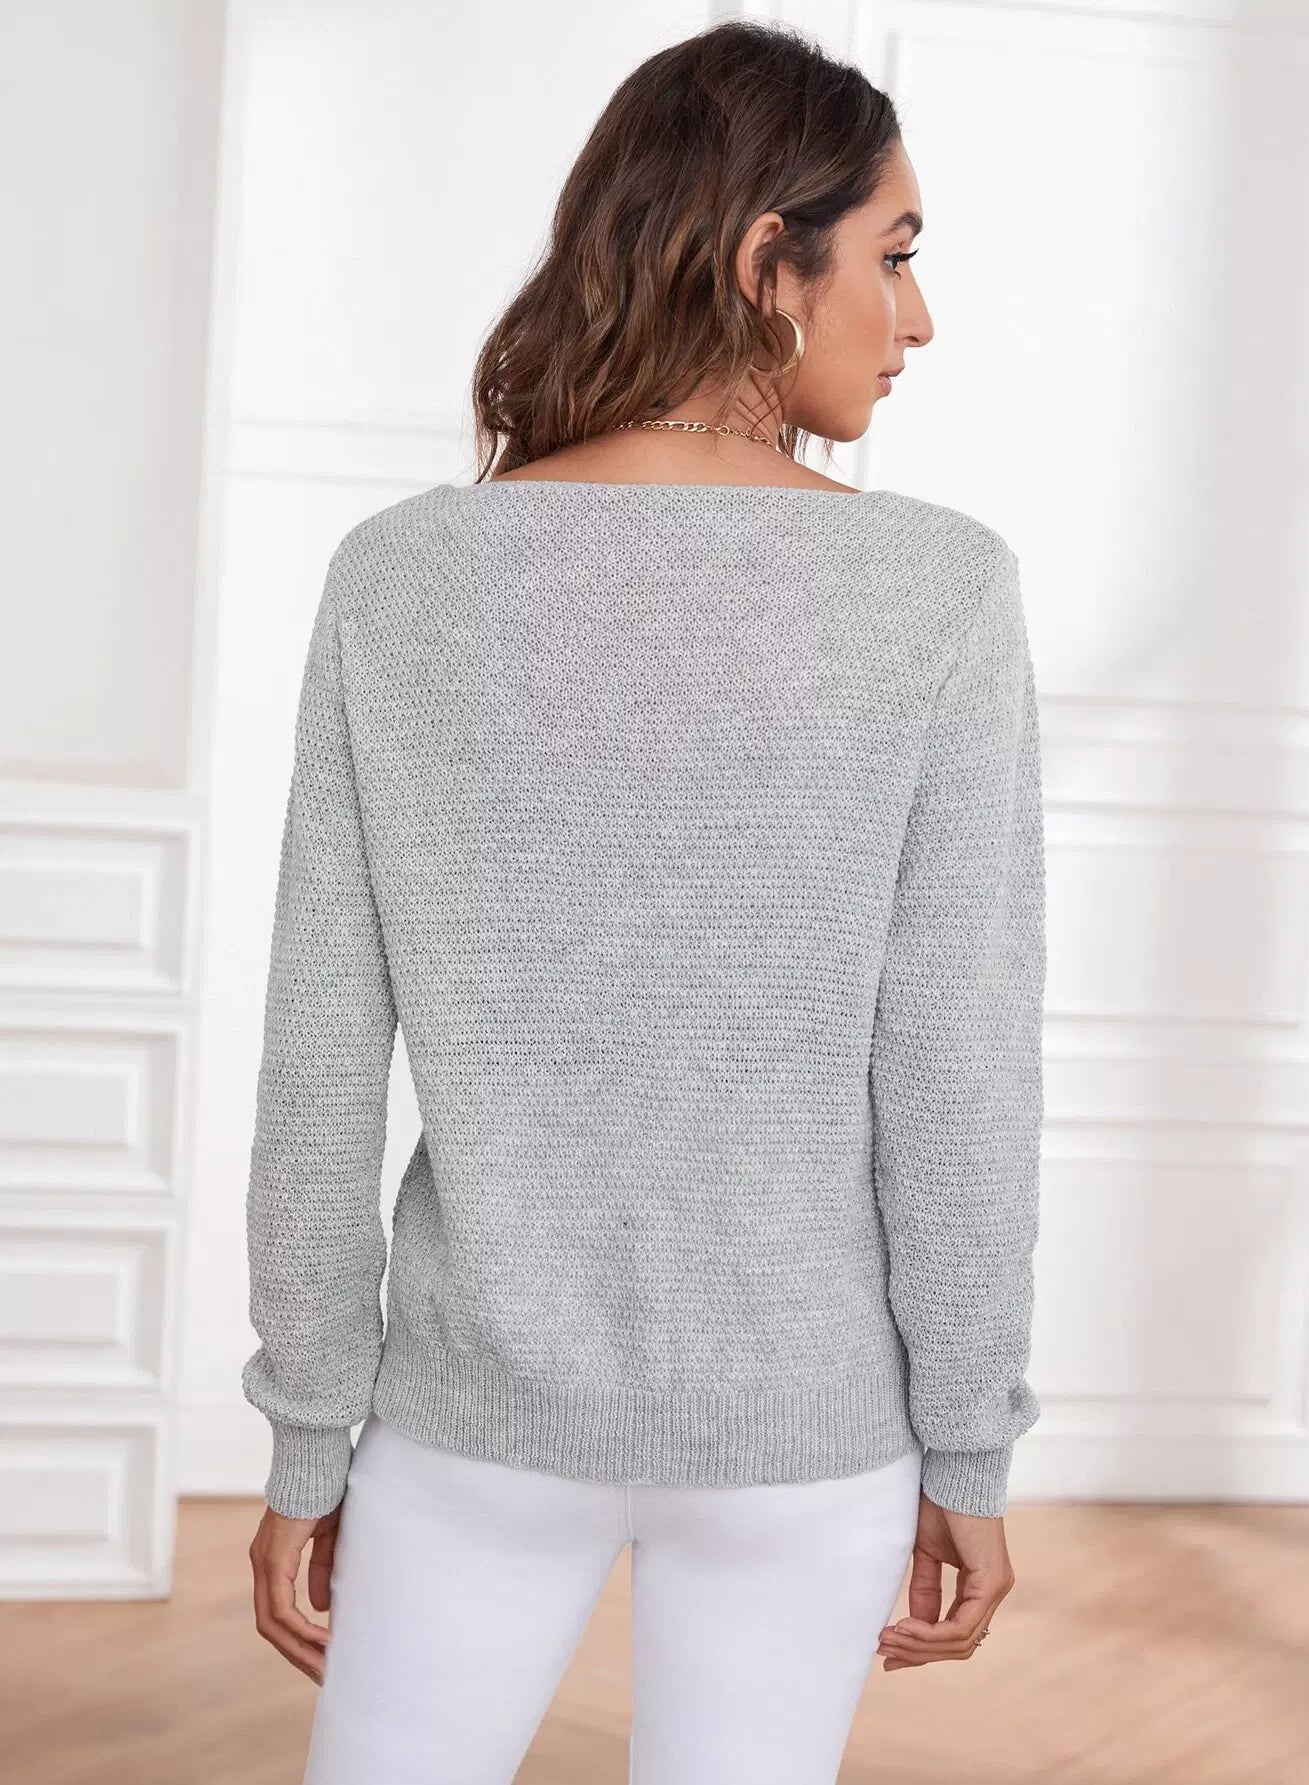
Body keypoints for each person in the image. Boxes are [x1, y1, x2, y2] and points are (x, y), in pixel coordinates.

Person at [241, 18, 1046, 1785]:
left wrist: (307, 1433)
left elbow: (317, 1055)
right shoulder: (939, 593)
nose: (917, 318)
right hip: (804, 1433)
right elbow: (958, 1077)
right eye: (893, 256)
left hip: (467, 1419)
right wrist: (967, 1444)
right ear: (768, 263)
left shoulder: (404, 578)